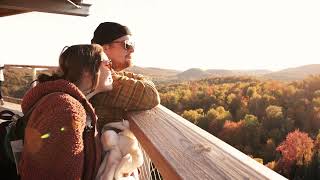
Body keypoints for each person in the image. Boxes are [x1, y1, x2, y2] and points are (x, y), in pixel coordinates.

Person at [19, 44, 113, 180]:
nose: (112, 71)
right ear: (87, 70)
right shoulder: (66, 110)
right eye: (107, 64)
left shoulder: (65, 103)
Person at [90, 22, 160, 132]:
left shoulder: (94, 71)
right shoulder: (99, 79)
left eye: (133, 44)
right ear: (105, 48)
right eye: (127, 44)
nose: (132, 49)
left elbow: (122, 75)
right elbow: (151, 95)